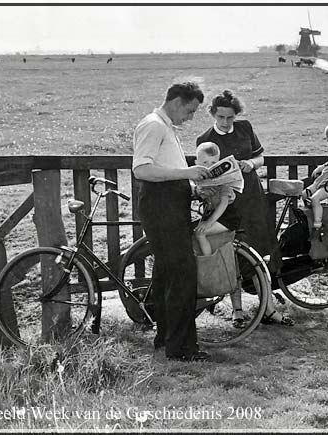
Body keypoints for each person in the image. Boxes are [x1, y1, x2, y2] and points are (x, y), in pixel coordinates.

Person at [196, 89, 294, 326]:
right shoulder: (205, 139)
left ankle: (267, 309)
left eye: (230, 117)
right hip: (226, 204)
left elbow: (260, 157)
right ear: (213, 115)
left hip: (251, 199)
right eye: (221, 117)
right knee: (231, 254)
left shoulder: (245, 128)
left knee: (260, 252)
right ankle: (237, 310)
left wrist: (250, 163)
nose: (226, 122)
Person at [132, 82, 212, 362]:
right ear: (177, 102)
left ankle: (165, 340)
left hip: (170, 206)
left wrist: (190, 186)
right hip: (161, 207)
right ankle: (181, 349)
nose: (190, 118)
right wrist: (186, 172)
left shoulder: (165, 127)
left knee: (167, 274)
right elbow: (142, 169)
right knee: (183, 276)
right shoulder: (153, 125)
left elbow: (166, 169)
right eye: (189, 111)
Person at [193, 142, 245, 328]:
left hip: (226, 218)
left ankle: (209, 267)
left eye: (213, 162)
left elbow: (223, 204)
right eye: (205, 162)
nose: (209, 166)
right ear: (196, 162)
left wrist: (208, 223)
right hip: (215, 216)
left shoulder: (224, 180)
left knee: (201, 235)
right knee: (195, 235)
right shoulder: (201, 180)